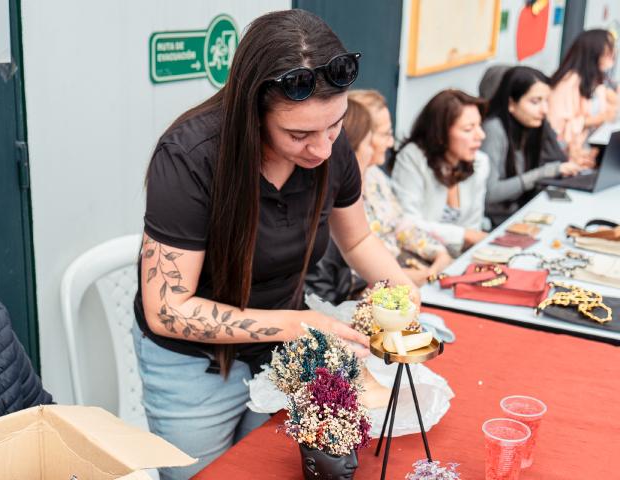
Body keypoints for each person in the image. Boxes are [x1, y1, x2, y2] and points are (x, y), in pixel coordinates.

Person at [133, 10, 419, 479]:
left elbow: (360, 239)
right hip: (194, 364)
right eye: (299, 135)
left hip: (284, 348)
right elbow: (167, 309)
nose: (324, 149)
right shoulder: (190, 157)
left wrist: (401, 290)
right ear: (253, 113)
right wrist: (295, 324)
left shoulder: (331, 144)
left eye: (335, 125)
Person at [349, 90, 452, 284]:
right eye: (385, 134)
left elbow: (401, 225)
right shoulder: (335, 193)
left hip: (409, 273)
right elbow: (348, 270)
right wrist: (408, 277)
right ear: (361, 137)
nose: (391, 143)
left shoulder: (375, 176)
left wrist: (438, 253)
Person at [391, 89, 489, 256]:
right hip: (419, 255)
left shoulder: (480, 162)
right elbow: (408, 224)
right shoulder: (412, 158)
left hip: (458, 256)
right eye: (468, 129)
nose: (481, 135)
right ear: (441, 134)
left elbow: (474, 226)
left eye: (479, 125)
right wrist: (463, 235)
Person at [481, 66, 583, 225]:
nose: (544, 110)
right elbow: (490, 192)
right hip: (499, 221)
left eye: (546, 101)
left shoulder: (531, 126)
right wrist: (543, 173)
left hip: (522, 212)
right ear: (511, 103)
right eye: (535, 102)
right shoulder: (493, 130)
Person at [548, 29, 617, 158]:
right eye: (608, 52)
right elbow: (555, 128)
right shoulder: (568, 83)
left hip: (588, 144)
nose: (612, 56)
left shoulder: (593, 79)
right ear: (593, 54)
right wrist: (596, 119)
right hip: (569, 153)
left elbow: (607, 106)